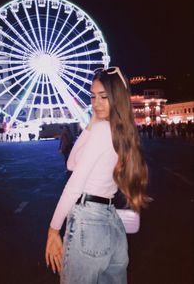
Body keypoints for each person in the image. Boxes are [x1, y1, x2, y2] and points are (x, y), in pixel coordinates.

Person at [45, 66, 149, 284]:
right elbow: (73, 161)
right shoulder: (119, 131)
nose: (96, 102)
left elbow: (74, 183)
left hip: (88, 223)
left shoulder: (103, 131)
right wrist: (93, 120)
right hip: (112, 225)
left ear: (116, 97)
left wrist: (53, 230)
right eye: (93, 96)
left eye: (104, 96)